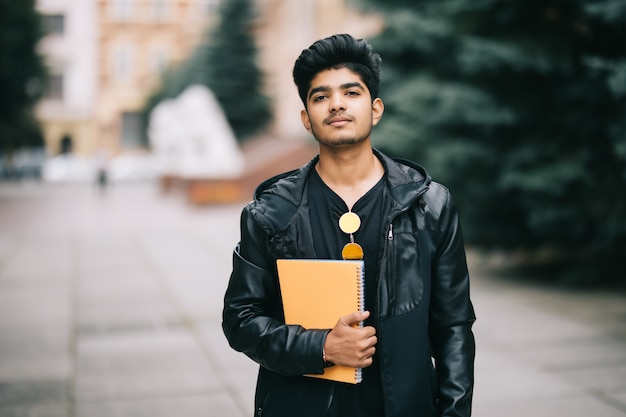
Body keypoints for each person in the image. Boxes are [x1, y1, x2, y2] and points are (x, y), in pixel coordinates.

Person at [222, 33, 475, 417]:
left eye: (350, 92)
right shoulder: (270, 212)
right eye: (320, 96)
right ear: (307, 119)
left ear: (375, 109)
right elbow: (240, 319)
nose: (336, 104)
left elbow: (453, 325)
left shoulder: (429, 204)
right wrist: (322, 347)